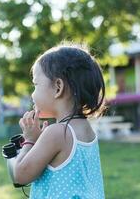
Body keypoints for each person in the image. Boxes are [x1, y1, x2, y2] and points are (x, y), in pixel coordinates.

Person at [14, 43, 106, 199]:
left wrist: (30, 140)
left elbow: (21, 175)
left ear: (58, 87)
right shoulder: (86, 129)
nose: (32, 94)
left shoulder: (57, 133)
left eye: (36, 85)